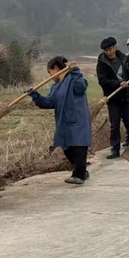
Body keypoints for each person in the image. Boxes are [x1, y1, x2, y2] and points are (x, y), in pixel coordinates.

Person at [28, 56, 91, 185]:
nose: (50, 75)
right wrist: (36, 96)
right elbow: (49, 102)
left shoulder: (73, 79)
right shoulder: (55, 87)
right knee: (67, 147)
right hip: (63, 121)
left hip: (78, 119)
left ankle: (79, 175)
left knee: (78, 146)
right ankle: (82, 170)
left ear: (56, 69)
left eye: (50, 72)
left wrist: (75, 71)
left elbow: (81, 86)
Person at [96, 37, 129, 159]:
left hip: (126, 97)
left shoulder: (124, 58)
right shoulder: (102, 64)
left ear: (115, 48)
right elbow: (103, 81)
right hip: (113, 99)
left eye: (110, 49)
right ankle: (115, 150)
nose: (109, 52)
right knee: (114, 125)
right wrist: (118, 84)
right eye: (106, 50)